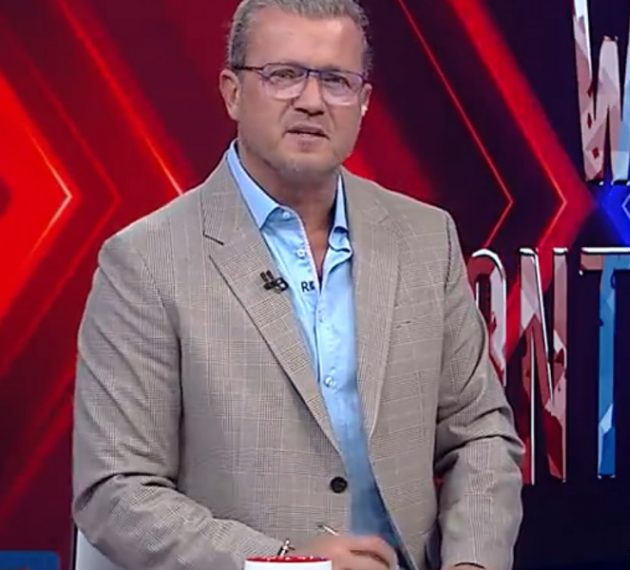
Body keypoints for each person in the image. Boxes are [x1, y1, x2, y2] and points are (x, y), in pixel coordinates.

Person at [70, 1, 524, 569]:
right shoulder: (145, 262)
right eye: (283, 74)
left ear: (363, 101)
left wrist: (471, 563)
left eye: (335, 80)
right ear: (232, 92)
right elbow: (116, 491)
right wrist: (288, 566)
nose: (311, 100)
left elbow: (480, 435)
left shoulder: (425, 238)